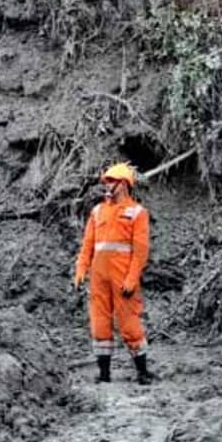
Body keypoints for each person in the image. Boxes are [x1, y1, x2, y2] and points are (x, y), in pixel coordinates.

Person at [73, 162, 153, 385]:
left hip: (122, 278)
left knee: (129, 324)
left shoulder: (137, 213)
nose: (107, 185)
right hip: (99, 278)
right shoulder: (98, 211)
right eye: (106, 181)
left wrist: (131, 277)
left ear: (124, 184)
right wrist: (81, 269)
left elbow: (140, 251)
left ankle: (143, 372)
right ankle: (104, 374)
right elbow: (87, 245)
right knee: (99, 323)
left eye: (111, 181)